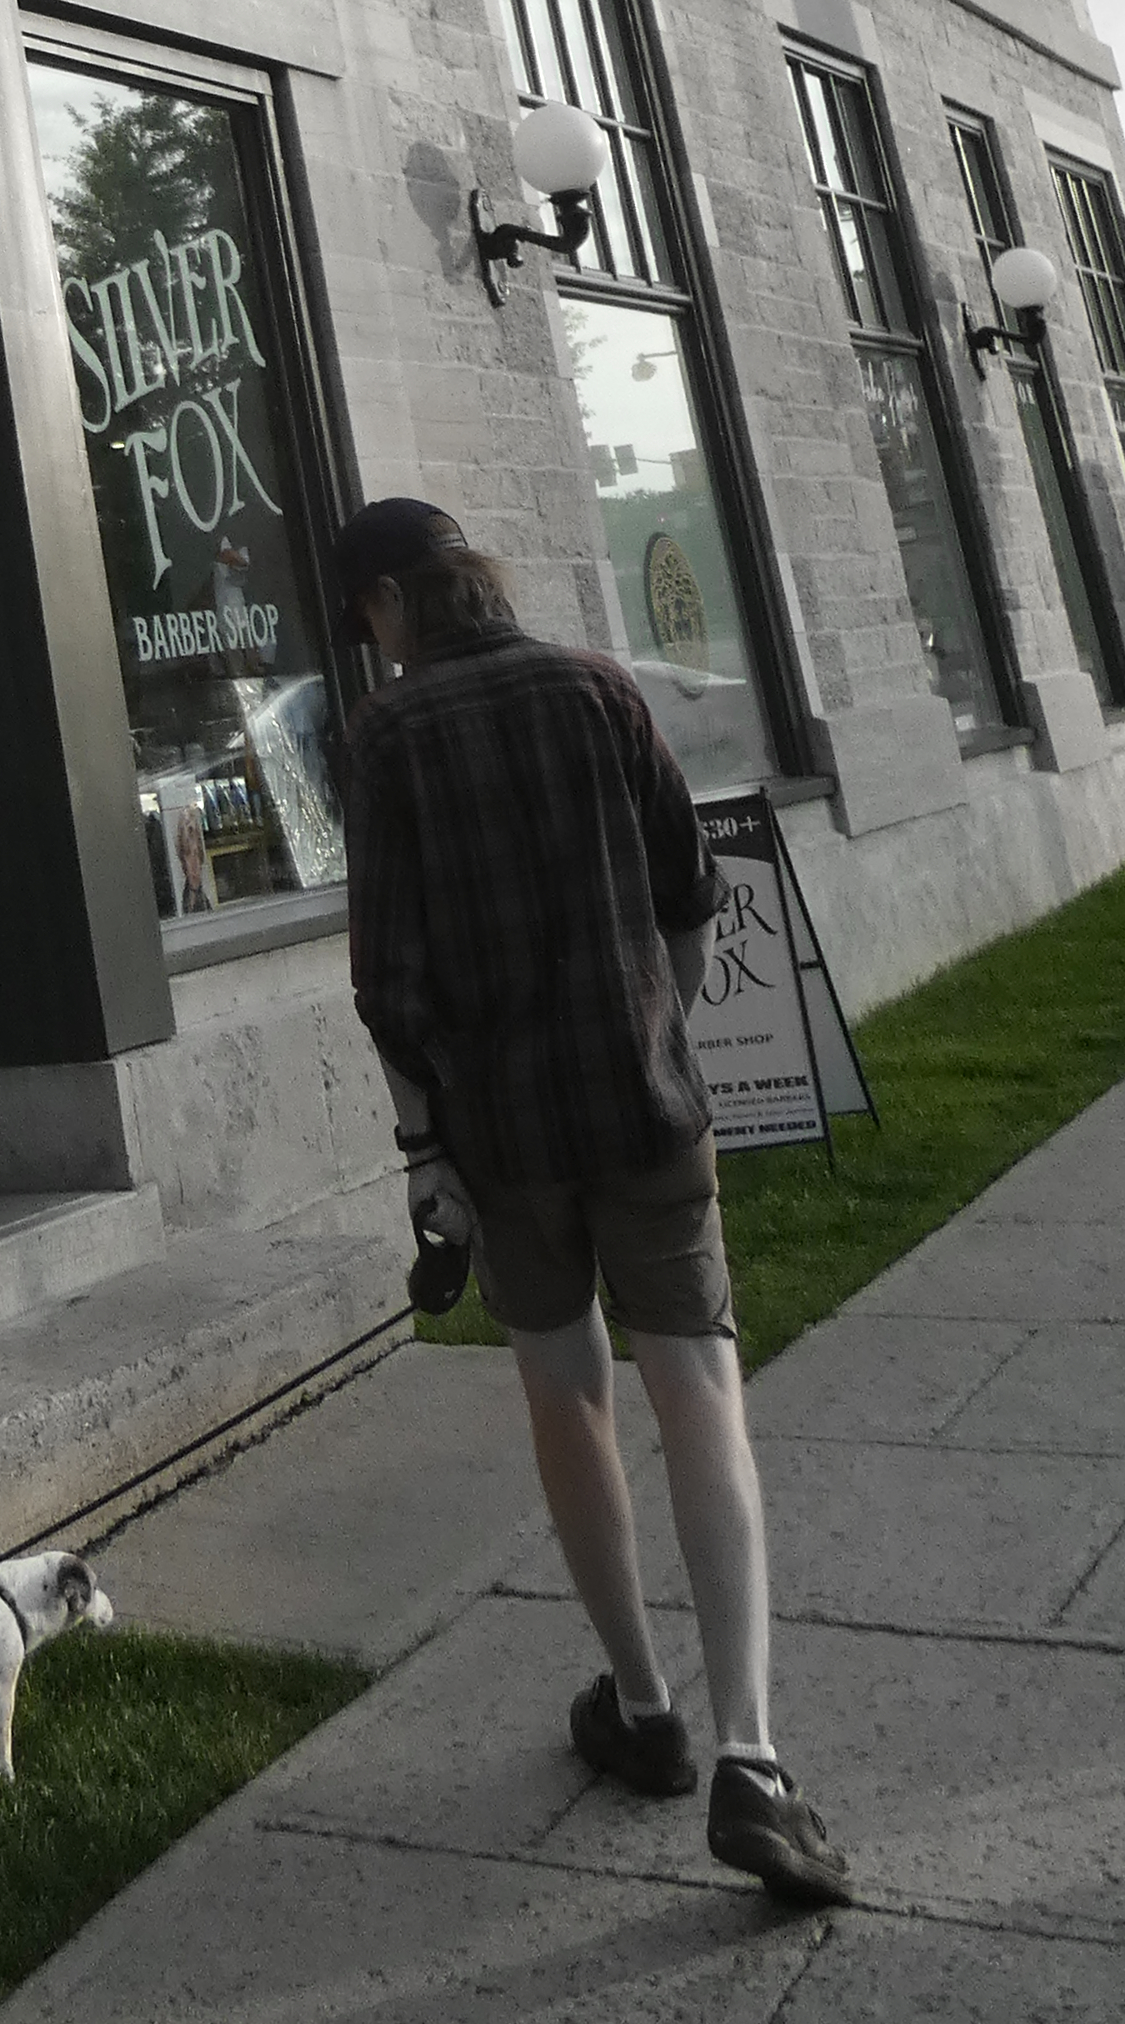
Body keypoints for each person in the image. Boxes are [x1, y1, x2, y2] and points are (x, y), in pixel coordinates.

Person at [336, 493, 852, 1913]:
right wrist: (661, 1030)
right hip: (645, 1106)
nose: (370, 647)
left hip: (504, 1135)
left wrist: (423, 1152)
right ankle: (752, 1752)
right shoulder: (600, 689)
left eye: (365, 620)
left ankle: (641, 1700)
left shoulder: (386, 737)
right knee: (700, 1387)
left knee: (567, 1395)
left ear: (389, 601)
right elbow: (693, 898)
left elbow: (390, 982)